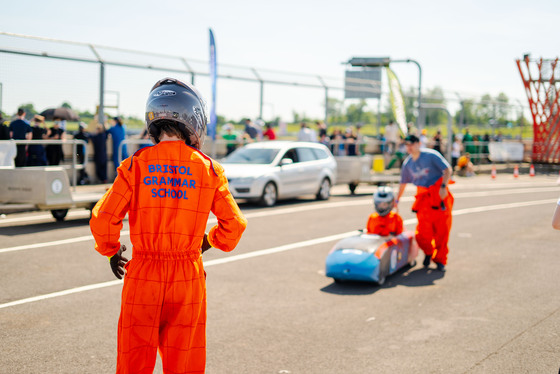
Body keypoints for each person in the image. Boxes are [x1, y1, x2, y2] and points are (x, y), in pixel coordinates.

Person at [90, 77, 247, 373]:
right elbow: (234, 225)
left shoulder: (135, 165)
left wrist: (111, 250)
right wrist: (208, 241)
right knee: (184, 362)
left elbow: (103, 218)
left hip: (143, 275)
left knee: (134, 360)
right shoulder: (209, 169)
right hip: (187, 276)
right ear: (193, 117)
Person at [396, 134, 454, 272]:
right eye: (407, 145)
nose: (409, 147)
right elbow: (403, 182)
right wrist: (397, 199)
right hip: (423, 200)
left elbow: (447, 169)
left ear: (418, 144)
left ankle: (440, 260)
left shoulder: (431, 155)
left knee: (442, 232)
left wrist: (443, 187)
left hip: (439, 197)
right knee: (422, 234)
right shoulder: (408, 163)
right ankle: (428, 252)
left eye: (411, 144)